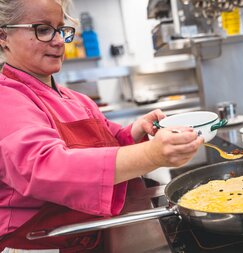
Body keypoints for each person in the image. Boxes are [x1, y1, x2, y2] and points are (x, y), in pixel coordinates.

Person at [0, 0, 204, 251]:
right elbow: (45, 168)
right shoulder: (6, 98)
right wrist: (150, 155)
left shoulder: (75, 98)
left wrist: (135, 131)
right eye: (42, 29)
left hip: (90, 231)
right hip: (42, 241)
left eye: (61, 29)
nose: (59, 41)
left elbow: (108, 139)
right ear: (3, 36)